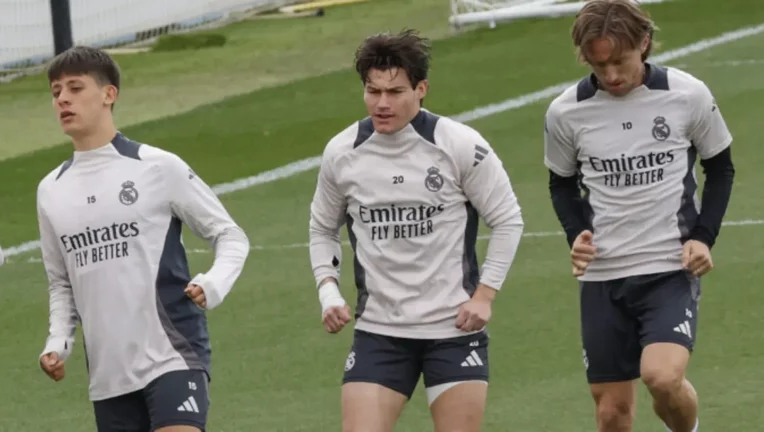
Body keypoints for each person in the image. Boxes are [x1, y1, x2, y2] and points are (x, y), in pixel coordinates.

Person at [308, 29, 524, 432]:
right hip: (380, 332)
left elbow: (508, 219)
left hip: (453, 330)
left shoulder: (458, 145)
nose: (382, 103)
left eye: (395, 92)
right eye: (373, 91)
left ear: (421, 89)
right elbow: (322, 227)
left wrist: (484, 295)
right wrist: (328, 291)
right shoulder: (343, 152)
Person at [36, 46, 250, 432]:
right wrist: (57, 342)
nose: (63, 99)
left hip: (172, 355)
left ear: (108, 94)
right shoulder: (50, 190)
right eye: (56, 92)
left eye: (75, 88)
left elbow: (230, 235)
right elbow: (60, 282)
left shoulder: (155, 166)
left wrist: (213, 283)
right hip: (107, 376)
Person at [543, 1, 735, 431]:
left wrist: (703, 236)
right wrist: (577, 233)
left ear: (643, 43)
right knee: (612, 413)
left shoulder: (687, 95)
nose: (610, 75)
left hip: (669, 266)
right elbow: (561, 184)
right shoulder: (565, 112)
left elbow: (720, 168)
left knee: (662, 378)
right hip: (604, 276)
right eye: (599, 64)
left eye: (620, 61)